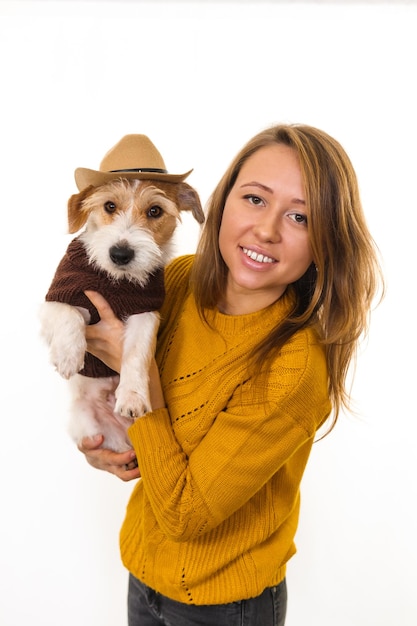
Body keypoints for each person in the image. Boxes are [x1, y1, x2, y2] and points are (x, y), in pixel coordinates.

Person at [79, 124, 383, 626]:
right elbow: (133, 420)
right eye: (255, 199)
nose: (267, 230)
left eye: (300, 216)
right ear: (220, 205)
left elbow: (186, 514)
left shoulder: (294, 368)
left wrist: (140, 372)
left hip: (226, 607)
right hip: (142, 573)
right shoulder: (175, 282)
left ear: (326, 241)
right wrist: (103, 447)